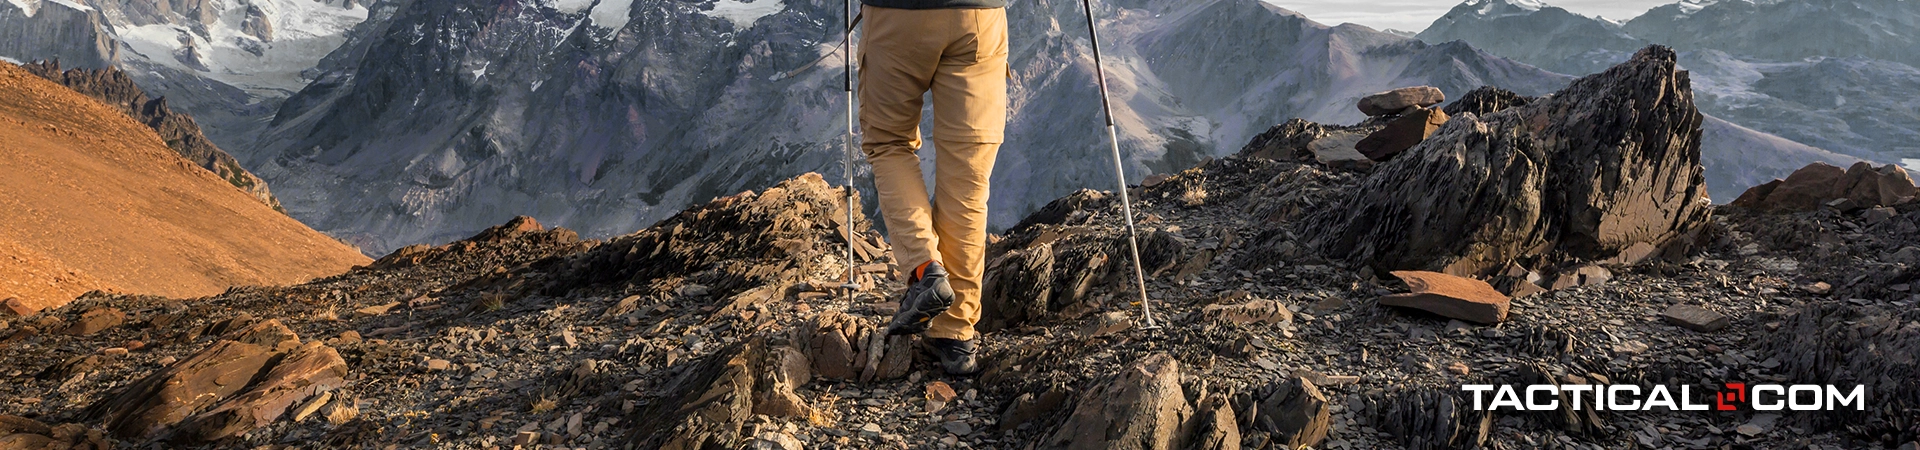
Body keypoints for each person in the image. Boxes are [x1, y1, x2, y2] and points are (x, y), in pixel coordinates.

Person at [858, 0, 1008, 376]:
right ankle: (955, 334)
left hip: (897, 15)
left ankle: (927, 270)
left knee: (890, 143)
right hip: (978, 16)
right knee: (968, 179)